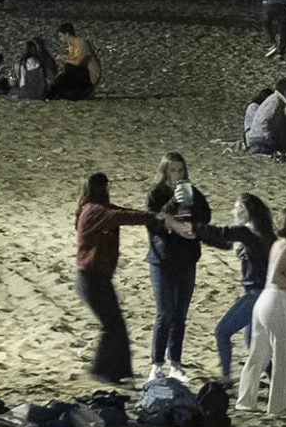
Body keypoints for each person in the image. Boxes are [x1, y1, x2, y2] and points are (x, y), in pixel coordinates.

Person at [72, 173, 155, 384]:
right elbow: (121, 216)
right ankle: (102, 371)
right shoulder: (94, 211)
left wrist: (149, 216)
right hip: (92, 278)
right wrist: (152, 218)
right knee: (112, 326)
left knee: (115, 325)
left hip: (94, 277)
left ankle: (118, 372)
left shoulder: (93, 209)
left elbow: (121, 212)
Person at [236, 207, 286, 417]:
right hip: (279, 301)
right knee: (284, 356)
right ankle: (279, 405)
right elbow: (276, 278)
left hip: (264, 302)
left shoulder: (282, 245)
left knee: (258, 354)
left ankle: (245, 400)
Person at [144, 154, 208, 377]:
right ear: (164, 171)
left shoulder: (192, 191)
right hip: (162, 261)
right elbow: (154, 224)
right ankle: (156, 363)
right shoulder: (156, 194)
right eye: (172, 170)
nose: (177, 175)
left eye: (180, 170)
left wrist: (194, 227)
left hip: (186, 259)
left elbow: (205, 215)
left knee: (180, 314)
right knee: (165, 312)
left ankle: (176, 363)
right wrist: (173, 202)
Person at [199, 193, 276, 379]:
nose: (233, 211)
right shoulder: (264, 234)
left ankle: (226, 378)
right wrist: (198, 235)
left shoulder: (247, 233)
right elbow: (223, 242)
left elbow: (222, 233)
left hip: (256, 294)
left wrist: (194, 227)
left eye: (236, 207)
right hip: (266, 294)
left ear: (245, 211)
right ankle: (277, 381)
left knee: (222, 332)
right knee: (253, 343)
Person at [50, 23, 97, 100]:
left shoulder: (80, 43)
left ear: (67, 34)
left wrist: (64, 59)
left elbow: (77, 62)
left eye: (61, 36)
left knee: (68, 69)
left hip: (88, 74)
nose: (60, 39)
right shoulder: (70, 45)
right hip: (80, 73)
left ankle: (84, 92)